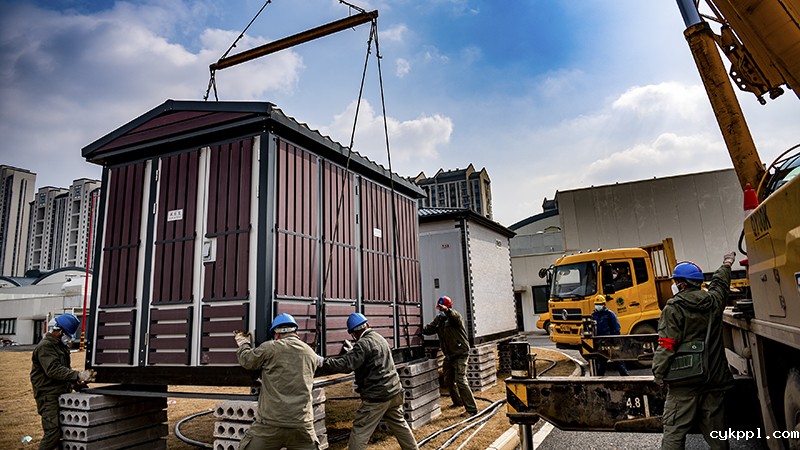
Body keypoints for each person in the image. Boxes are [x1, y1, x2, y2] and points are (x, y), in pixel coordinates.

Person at [652, 253, 736, 450]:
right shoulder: (714, 302)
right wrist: (726, 264)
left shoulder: (673, 308)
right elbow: (720, 283)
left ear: (682, 284)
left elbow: (667, 345)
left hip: (684, 381)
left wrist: (659, 374)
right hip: (714, 379)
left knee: (674, 432)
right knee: (717, 434)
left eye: (675, 282)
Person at [321, 313, 418, 450]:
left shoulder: (362, 344)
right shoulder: (379, 337)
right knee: (400, 425)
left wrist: (323, 362)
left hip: (377, 397)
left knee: (360, 430)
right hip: (394, 392)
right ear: (367, 324)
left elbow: (346, 365)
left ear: (354, 333)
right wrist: (354, 353)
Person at [234, 313, 321, 450]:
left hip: (270, 425)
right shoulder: (309, 352)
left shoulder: (270, 348)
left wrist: (243, 343)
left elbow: (247, 360)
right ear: (295, 332)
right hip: (301, 425)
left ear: (277, 334)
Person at [30, 314, 96, 450]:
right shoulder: (46, 346)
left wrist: (76, 384)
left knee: (64, 431)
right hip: (48, 396)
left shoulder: (60, 346)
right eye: (67, 334)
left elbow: (65, 371)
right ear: (59, 331)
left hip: (60, 393)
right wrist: (78, 375)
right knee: (53, 434)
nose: (68, 338)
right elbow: (53, 370)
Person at [421, 296, 478, 415]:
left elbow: (454, 317)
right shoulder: (439, 319)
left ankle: (472, 409)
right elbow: (429, 329)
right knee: (448, 380)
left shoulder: (455, 317)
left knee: (461, 380)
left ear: (448, 306)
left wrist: (448, 311)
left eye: (442, 308)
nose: (440, 311)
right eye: (439, 308)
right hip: (449, 355)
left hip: (460, 353)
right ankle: (458, 402)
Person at [591, 295, 628, 376]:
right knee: (601, 364)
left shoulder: (610, 314)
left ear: (604, 304)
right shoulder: (594, 315)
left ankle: (626, 378)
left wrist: (614, 340)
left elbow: (616, 328)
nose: (598, 306)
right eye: (596, 304)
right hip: (600, 342)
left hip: (610, 341)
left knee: (618, 362)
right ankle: (599, 380)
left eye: (599, 304)